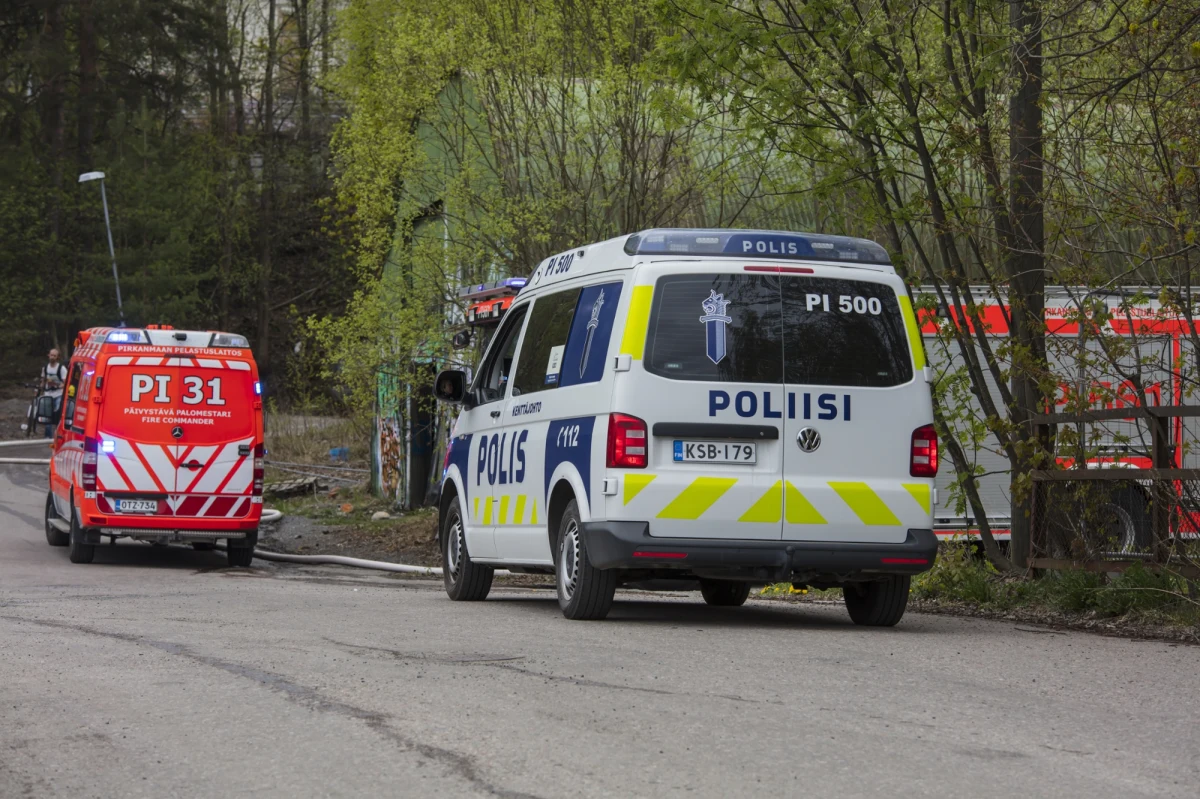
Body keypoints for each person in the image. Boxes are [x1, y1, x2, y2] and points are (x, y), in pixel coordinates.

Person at [41, 348, 67, 438]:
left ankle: (58, 435)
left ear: (57, 357)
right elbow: (43, 379)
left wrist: (59, 386)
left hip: (58, 394)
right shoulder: (45, 368)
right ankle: (48, 436)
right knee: (47, 415)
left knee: (57, 415)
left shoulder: (61, 368)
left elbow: (66, 382)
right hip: (48, 394)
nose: (52, 357)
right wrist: (40, 388)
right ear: (48, 355)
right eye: (51, 355)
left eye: (54, 356)